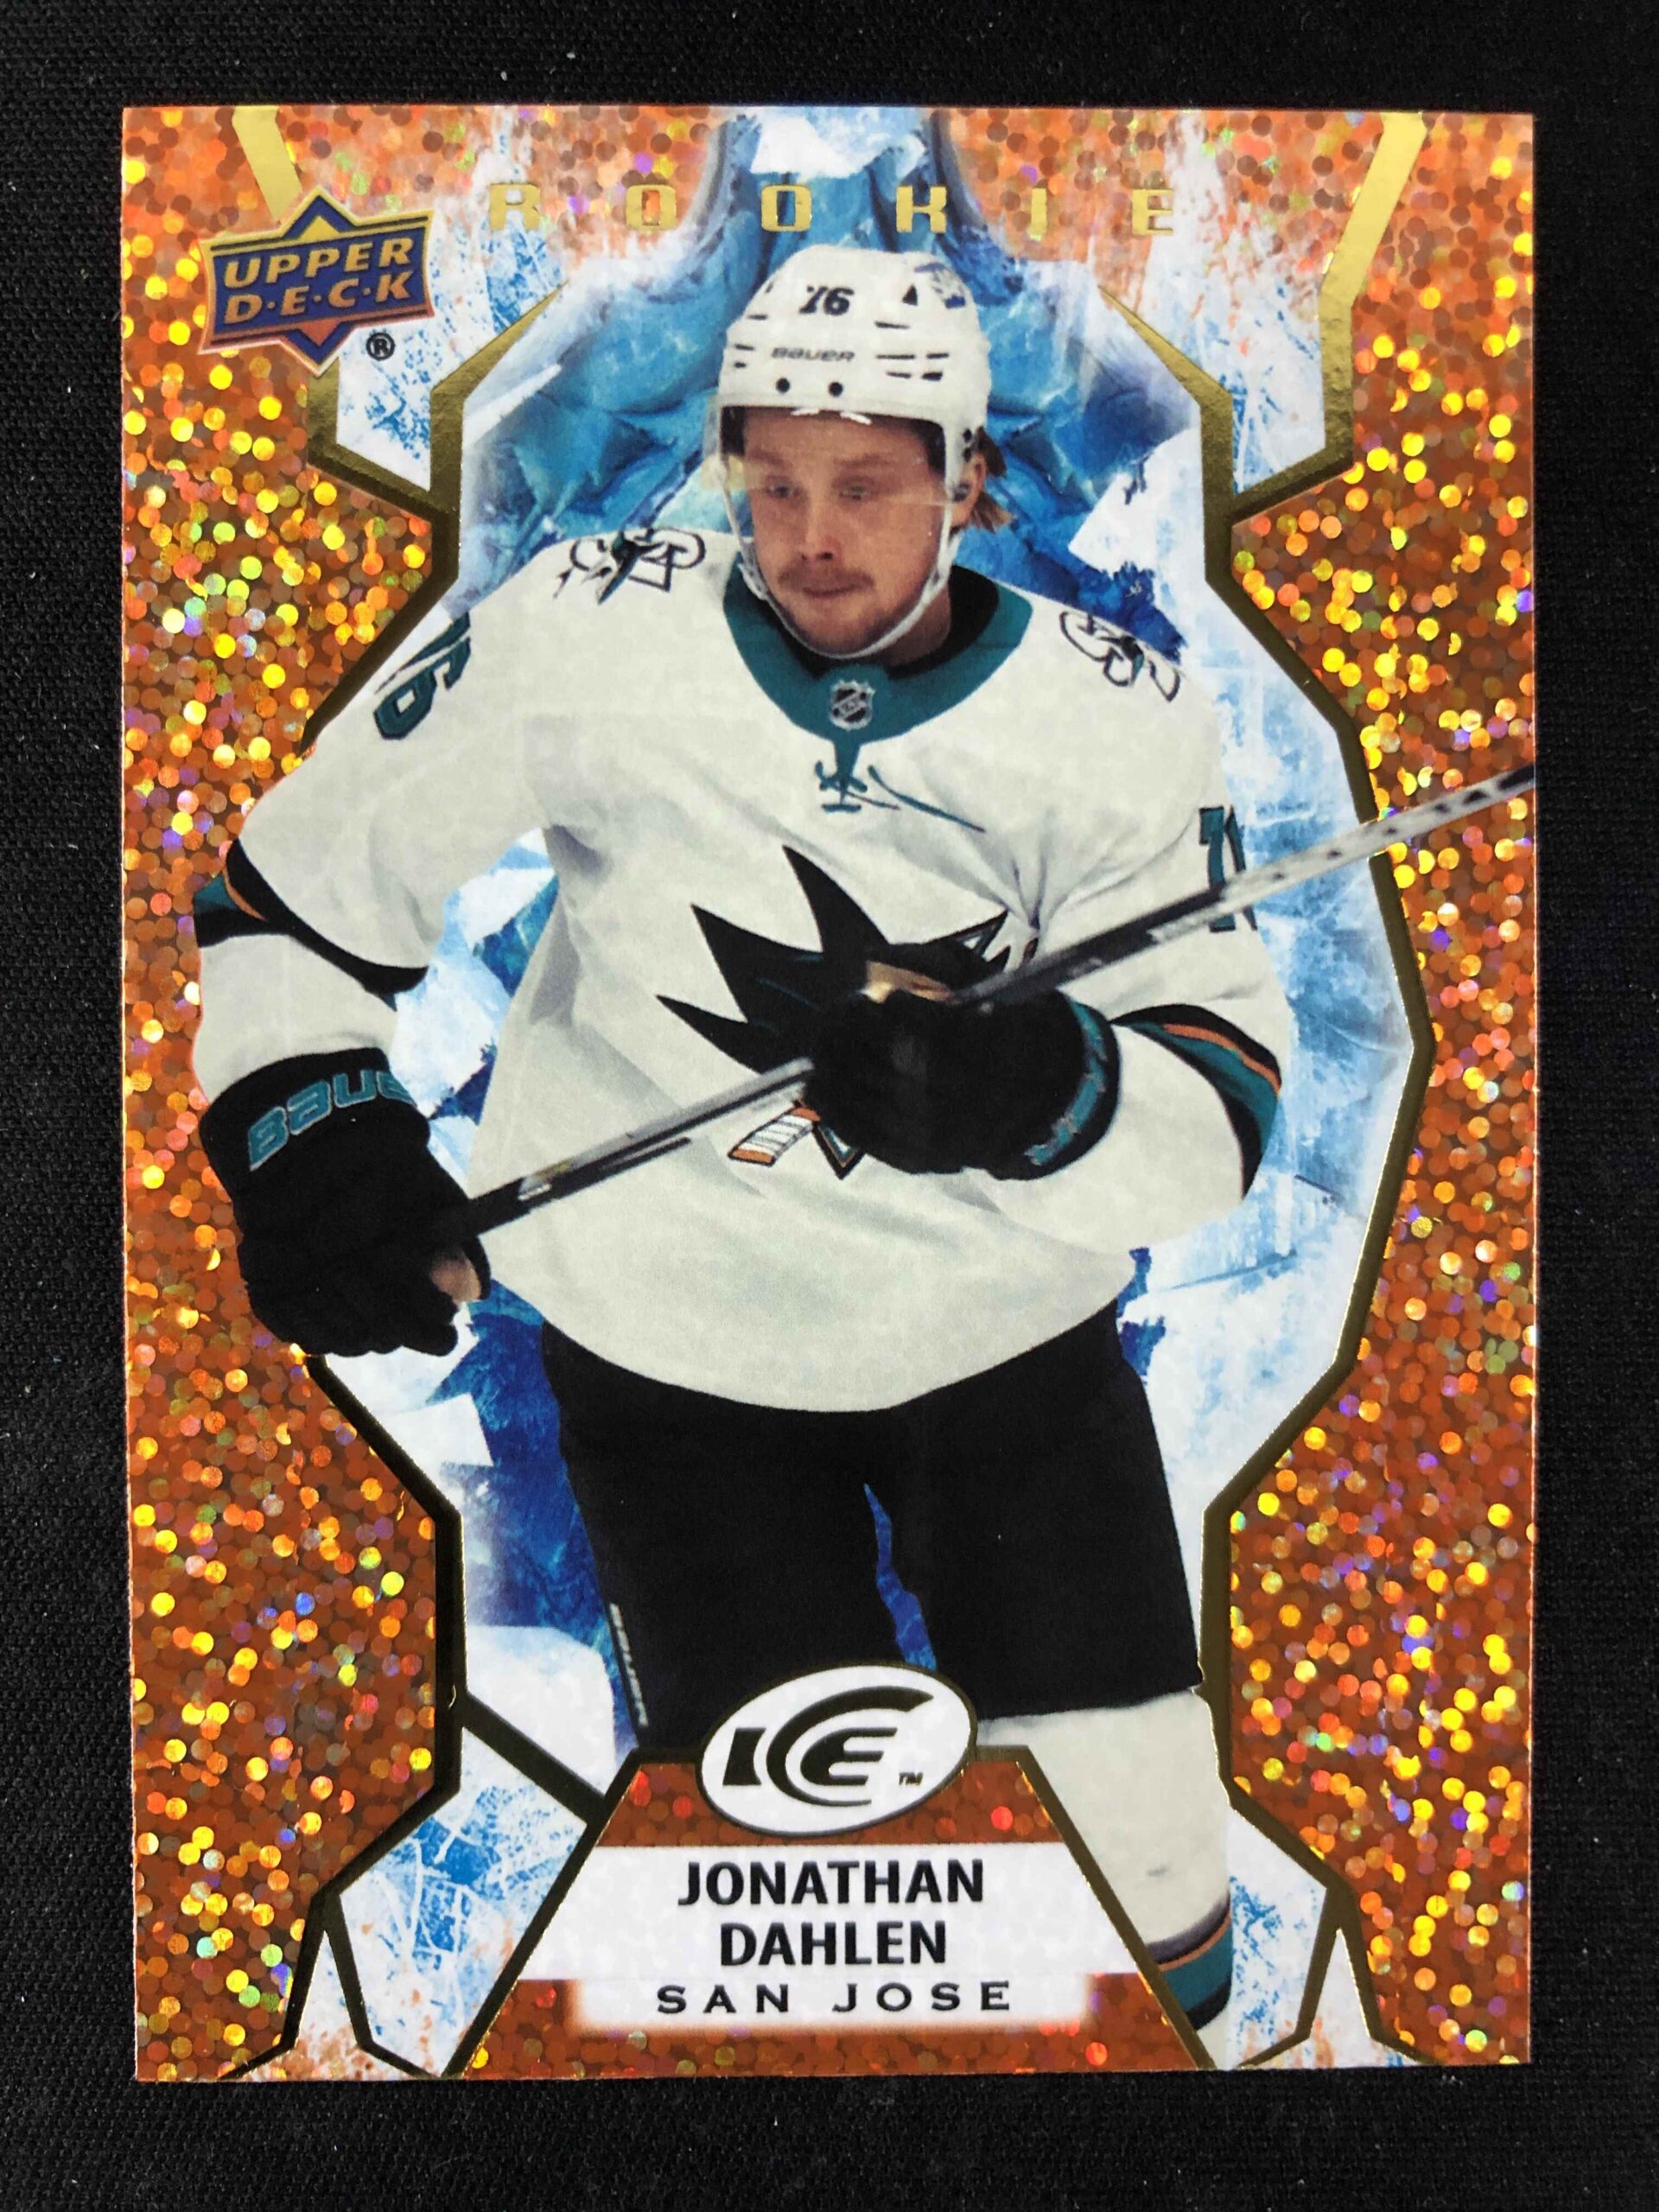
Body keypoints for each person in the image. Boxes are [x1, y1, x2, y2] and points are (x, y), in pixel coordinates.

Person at [191, 243, 1289, 2061]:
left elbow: (1222, 1093)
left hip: (1004, 1347)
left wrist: (1036, 1090)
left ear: (970, 485)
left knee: (1142, 1884)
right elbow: (288, 901)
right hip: (671, 1348)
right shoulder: (584, 628)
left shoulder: (1117, 710)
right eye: (773, 485)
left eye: (866, 486)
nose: (813, 538)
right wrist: (320, 1141)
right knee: (778, 1912)